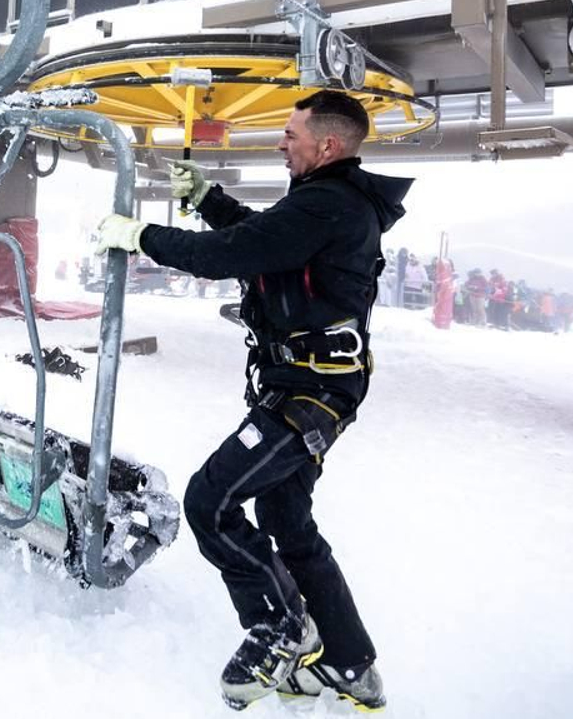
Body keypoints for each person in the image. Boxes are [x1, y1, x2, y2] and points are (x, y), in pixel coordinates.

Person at [94, 91, 407, 712]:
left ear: (328, 145)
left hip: (310, 393)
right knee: (286, 520)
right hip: (311, 386)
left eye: (291, 134)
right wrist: (208, 200)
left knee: (210, 502)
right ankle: (350, 664)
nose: (281, 143)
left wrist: (141, 236)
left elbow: (231, 254)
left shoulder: (330, 203)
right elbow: (264, 238)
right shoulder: (326, 202)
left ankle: (281, 628)